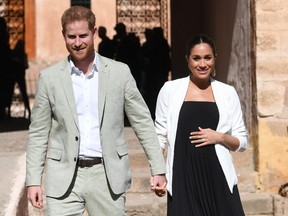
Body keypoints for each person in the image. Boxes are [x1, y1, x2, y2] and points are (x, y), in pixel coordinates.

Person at [26, 6, 166, 216]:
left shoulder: (119, 73)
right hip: (63, 178)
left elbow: (142, 121)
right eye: (71, 36)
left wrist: (158, 168)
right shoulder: (49, 78)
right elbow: (38, 132)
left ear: (94, 32)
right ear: (63, 36)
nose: (77, 42)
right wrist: (33, 181)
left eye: (83, 35)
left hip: (107, 176)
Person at [155, 34, 248, 216]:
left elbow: (242, 141)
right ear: (187, 60)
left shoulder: (227, 92)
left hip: (218, 178)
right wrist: (158, 172)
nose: (203, 64)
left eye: (208, 57)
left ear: (215, 58)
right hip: (183, 178)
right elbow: (159, 136)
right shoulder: (169, 90)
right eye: (196, 58)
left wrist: (219, 136)